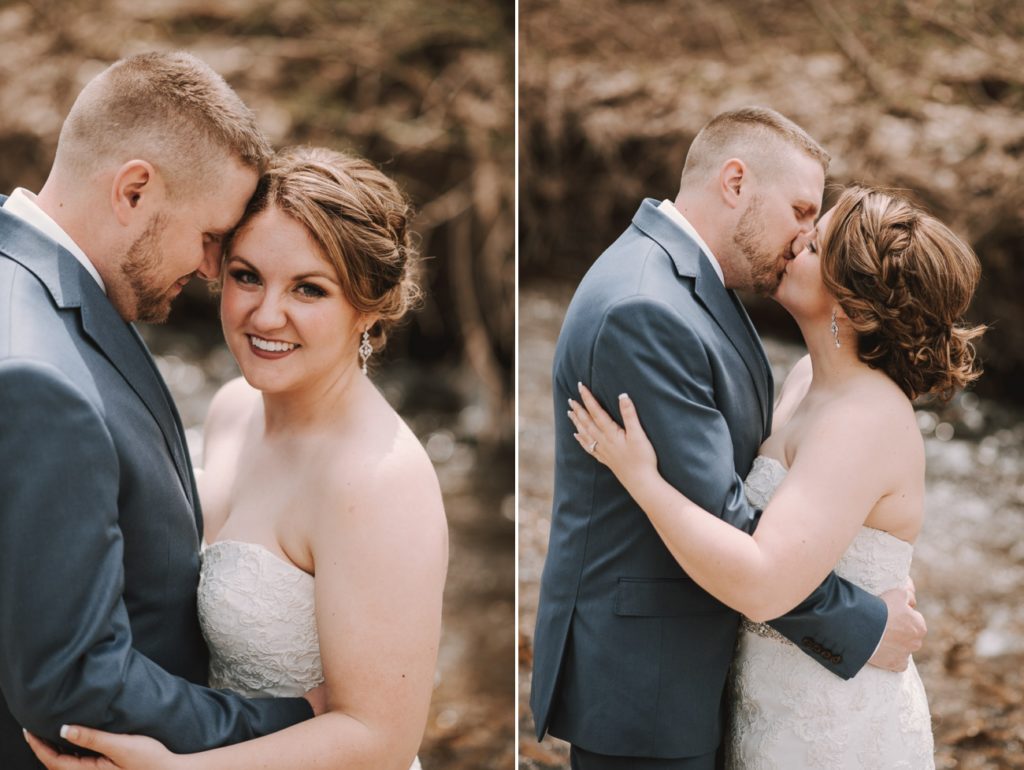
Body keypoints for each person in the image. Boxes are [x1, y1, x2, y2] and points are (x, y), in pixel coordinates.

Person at [530, 107, 929, 770]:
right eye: (802, 210)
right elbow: (734, 528)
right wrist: (863, 624)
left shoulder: (699, 286)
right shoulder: (646, 309)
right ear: (736, 183)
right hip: (650, 688)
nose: (806, 236)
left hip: (713, 676)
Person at [25, 146, 447, 770]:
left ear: (369, 305)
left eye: (309, 288)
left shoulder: (378, 480)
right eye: (247, 276)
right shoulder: (231, 410)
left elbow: (379, 740)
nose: (265, 314)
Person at [0, 52, 318, 769]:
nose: (212, 270)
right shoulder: (38, 374)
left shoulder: (22, 285)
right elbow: (75, 682)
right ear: (134, 190)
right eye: (209, 238)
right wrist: (288, 725)